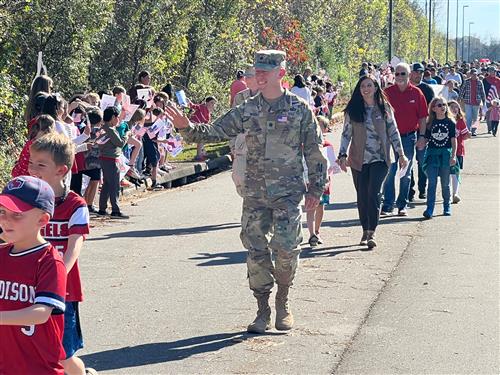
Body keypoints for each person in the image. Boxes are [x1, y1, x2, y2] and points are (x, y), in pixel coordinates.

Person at [165, 50, 327, 334]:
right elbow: (215, 130)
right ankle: (262, 307)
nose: (259, 75)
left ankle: (283, 299)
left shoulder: (299, 109)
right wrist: (187, 129)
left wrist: (316, 187)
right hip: (255, 193)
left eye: (266, 70)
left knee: (287, 249)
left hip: (288, 193)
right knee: (256, 251)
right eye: (257, 70)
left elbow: (315, 151)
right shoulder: (248, 109)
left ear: (281, 73)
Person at [28, 133, 95, 375]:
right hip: (26, 286)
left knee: (62, 354)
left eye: (41, 165)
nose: (33, 169)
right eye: (31, 163)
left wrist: (57, 275)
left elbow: (74, 245)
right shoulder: (24, 201)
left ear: (61, 170)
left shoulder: (75, 205)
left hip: (60, 290)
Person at [0, 175, 67, 375]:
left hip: (38, 367)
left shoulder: (49, 261)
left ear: (43, 219)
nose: (5, 220)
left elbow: (41, 313)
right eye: (2, 212)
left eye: (17, 214)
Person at [338, 75, 407, 248]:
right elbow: (346, 134)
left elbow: (393, 131)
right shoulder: (353, 110)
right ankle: (364, 229)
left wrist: (401, 153)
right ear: (359, 89)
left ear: (376, 87)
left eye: (369, 85)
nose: (366, 89)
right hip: (358, 160)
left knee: (373, 192)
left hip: (380, 158)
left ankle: (372, 231)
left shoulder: (384, 108)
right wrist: (342, 155)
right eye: (363, 86)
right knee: (362, 196)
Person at [381, 62, 428, 216]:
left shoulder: (417, 93)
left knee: (405, 172)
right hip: (389, 139)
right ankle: (388, 205)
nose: (400, 77)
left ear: (409, 76)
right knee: (389, 171)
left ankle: (402, 205)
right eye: (397, 74)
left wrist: (422, 137)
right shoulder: (386, 93)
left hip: (409, 138)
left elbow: (422, 118)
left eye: (403, 74)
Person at [421, 97, 457, 218]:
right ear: (434, 108)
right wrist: (421, 143)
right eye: (439, 105)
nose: (443, 107)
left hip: (445, 155)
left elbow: (453, 141)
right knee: (432, 183)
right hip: (432, 155)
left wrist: (453, 156)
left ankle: (447, 206)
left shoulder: (450, 122)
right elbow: (425, 139)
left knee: (445, 183)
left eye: (444, 105)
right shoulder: (430, 123)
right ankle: (429, 209)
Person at [96, 106, 130, 218]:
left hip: (104, 158)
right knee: (114, 185)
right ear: (112, 117)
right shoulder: (109, 129)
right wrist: (126, 135)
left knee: (106, 184)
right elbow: (119, 143)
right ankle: (115, 209)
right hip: (110, 159)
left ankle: (102, 208)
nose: (118, 120)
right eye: (117, 117)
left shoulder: (103, 128)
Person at [408, 62, 435, 201]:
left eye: (421, 72)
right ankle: (409, 190)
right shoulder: (405, 88)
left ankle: (422, 188)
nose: (419, 74)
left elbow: (433, 110)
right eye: (416, 72)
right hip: (407, 130)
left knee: (422, 160)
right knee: (408, 162)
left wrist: (427, 132)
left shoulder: (427, 89)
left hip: (423, 131)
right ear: (410, 72)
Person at [306, 116, 334, 247]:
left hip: (324, 182)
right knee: (310, 206)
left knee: (320, 207)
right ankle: (311, 234)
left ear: (325, 129)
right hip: (309, 181)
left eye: (321, 126)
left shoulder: (328, 146)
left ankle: (317, 231)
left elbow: (333, 166)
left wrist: (328, 177)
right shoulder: (305, 145)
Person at [448, 100, 470, 203]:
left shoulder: (460, 121)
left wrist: (468, 135)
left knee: (455, 172)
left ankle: (455, 193)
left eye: (456, 107)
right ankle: (447, 192)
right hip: (446, 151)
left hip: (458, 151)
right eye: (452, 107)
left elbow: (465, 135)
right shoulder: (445, 121)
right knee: (447, 173)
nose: (455, 109)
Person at [459, 68, 486, 136]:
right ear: (470, 74)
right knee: (468, 117)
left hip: (476, 102)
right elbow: (462, 90)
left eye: (475, 74)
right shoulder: (466, 81)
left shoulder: (479, 82)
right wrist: (460, 98)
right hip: (467, 102)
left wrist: (484, 101)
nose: (474, 75)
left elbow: (482, 92)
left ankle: (474, 131)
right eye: (473, 74)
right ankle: (468, 131)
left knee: (475, 117)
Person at [189, 96, 217, 161]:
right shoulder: (202, 107)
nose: (213, 105)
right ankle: (199, 155)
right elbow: (194, 106)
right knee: (201, 138)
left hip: (199, 127)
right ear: (206, 103)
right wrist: (189, 102)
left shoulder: (208, 112)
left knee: (205, 136)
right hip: (193, 126)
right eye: (211, 103)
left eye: (214, 103)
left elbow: (207, 123)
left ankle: (202, 152)